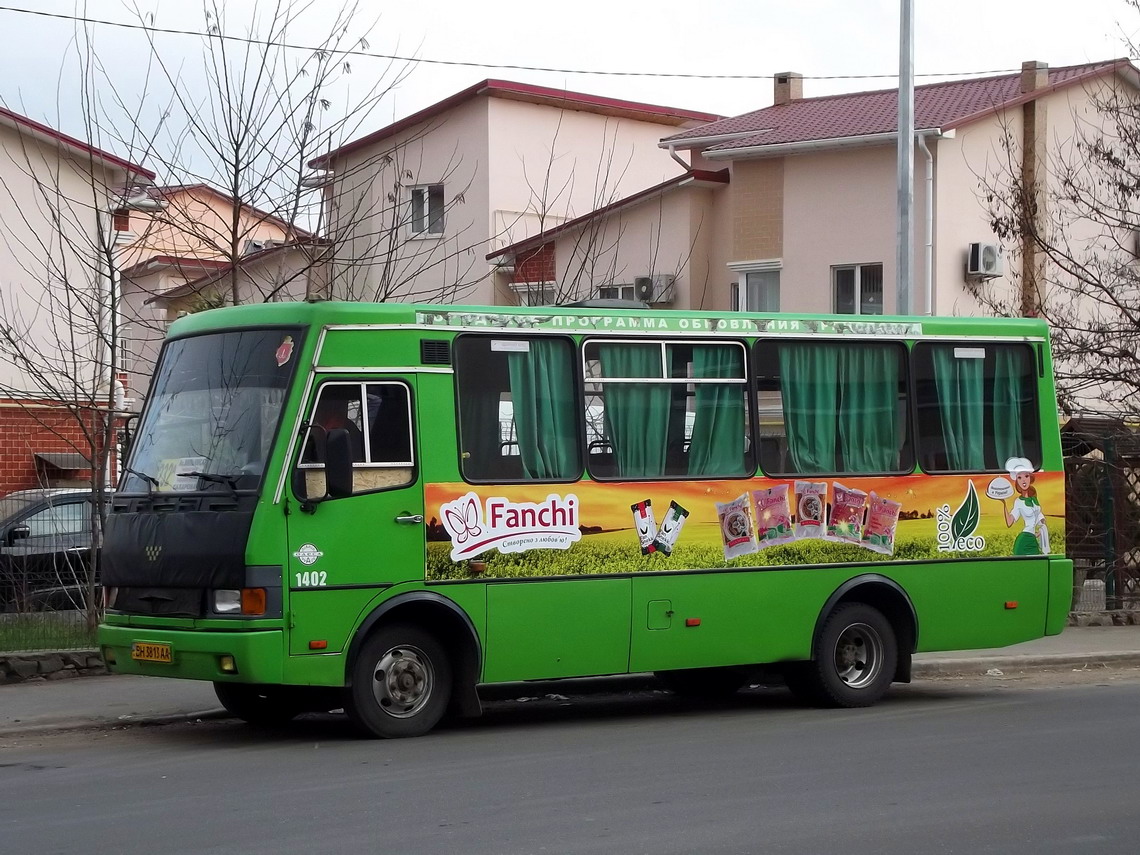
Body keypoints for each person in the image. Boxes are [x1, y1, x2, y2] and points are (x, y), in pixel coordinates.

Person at [992, 456, 1048, 555]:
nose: (1023, 480)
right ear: (1017, 481)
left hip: (1033, 539)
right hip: (1024, 539)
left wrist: (1042, 529)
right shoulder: (1018, 502)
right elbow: (1009, 522)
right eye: (1019, 477)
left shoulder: (1034, 499)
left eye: (1026, 476)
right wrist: (1004, 504)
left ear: (1030, 478)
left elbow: (1040, 516)